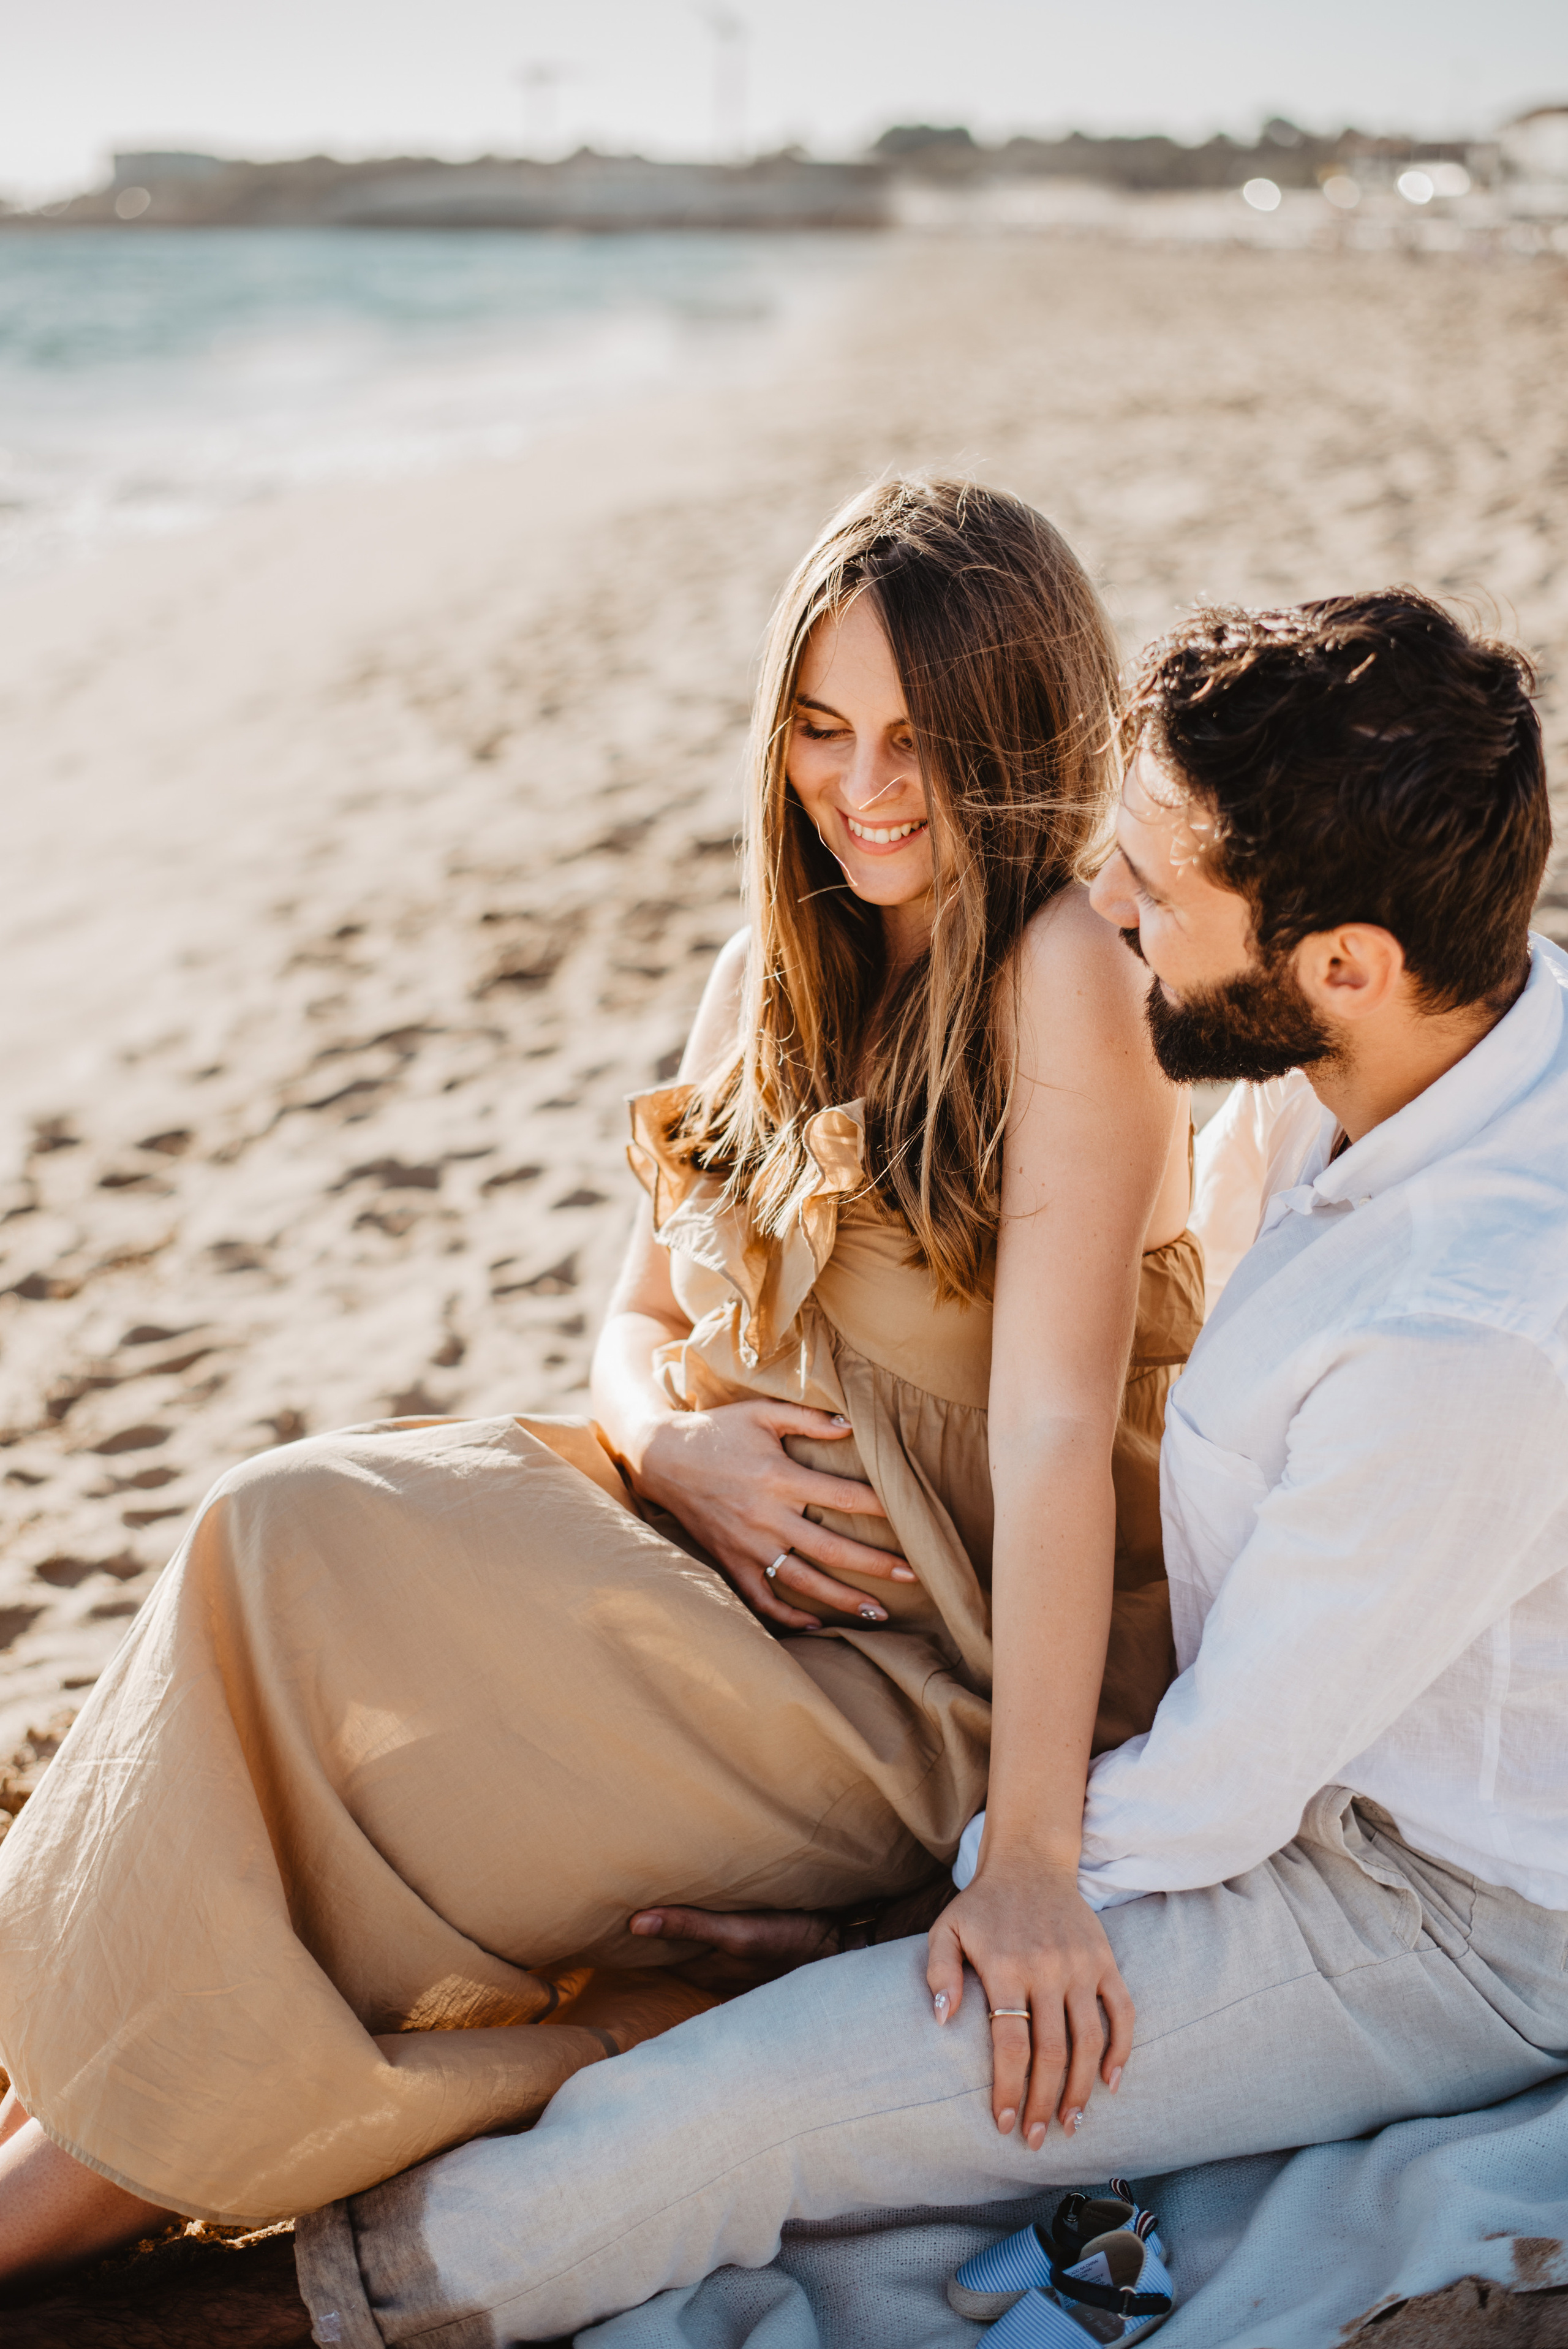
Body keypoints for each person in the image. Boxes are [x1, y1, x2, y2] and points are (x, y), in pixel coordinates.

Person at [288, 585, 1568, 2349]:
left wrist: (948, 1888)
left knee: (734, 2111)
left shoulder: (1471, 1328)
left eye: (1154, 892)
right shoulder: (1411, 1039)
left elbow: (1230, 1785)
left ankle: (337, 2297)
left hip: (1425, 1899)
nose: (1101, 911)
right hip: (1239, 1745)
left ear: (1341, 960)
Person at [0, 477, 1202, 2282]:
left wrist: (1025, 1857)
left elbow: (1042, 1437)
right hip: (696, 1564)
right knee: (281, 1548)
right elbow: (631, 1321)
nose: (863, 788)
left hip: (921, 1674)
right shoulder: (766, 977)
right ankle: (75, 2106)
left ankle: (41, 2197)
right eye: (821, 728)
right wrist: (679, 1446)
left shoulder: (1061, 986)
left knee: (345, 1650)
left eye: (917, 744)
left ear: (1018, 745)